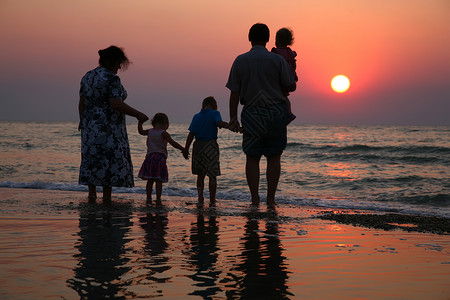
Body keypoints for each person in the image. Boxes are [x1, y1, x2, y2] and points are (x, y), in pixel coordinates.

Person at [226, 23, 296, 207]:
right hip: (275, 111)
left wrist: (233, 117)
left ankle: (255, 198)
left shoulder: (240, 60)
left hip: (251, 113)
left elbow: (234, 92)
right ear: (267, 39)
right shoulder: (277, 60)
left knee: (252, 156)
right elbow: (291, 86)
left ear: (249, 38)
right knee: (274, 156)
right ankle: (271, 200)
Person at [78, 45, 148, 204]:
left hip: (89, 126)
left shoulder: (87, 76)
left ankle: (92, 196)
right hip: (108, 127)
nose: (119, 67)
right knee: (107, 160)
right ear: (110, 61)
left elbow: (81, 103)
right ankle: (107, 198)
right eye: (118, 63)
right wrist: (138, 114)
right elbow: (115, 103)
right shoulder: (111, 79)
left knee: (92, 159)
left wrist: (82, 121)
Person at [184, 96, 228, 207]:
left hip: (197, 146)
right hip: (210, 145)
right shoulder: (215, 113)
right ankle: (212, 200)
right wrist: (230, 126)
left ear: (203, 105)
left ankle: (200, 197)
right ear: (214, 105)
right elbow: (219, 123)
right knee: (212, 175)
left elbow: (191, 134)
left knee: (200, 175)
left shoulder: (196, 116)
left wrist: (186, 149)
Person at [138, 113, 187, 205]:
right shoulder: (163, 133)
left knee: (150, 180)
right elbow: (173, 142)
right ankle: (158, 198)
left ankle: (148, 198)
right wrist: (183, 149)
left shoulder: (149, 131)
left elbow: (140, 131)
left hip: (149, 158)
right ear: (164, 123)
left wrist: (140, 122)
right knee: (158, 180)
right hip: (159, 159)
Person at [271, 27, 298, 124]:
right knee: (285, 96)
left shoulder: (276, 52)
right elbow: (293, 64)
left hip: (280, 78)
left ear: (277, 40)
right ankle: (288, 113)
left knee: (283, 96)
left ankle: (289, 114)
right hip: (290, 76)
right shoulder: (290, 52)